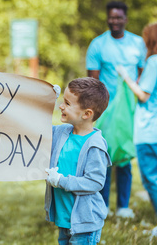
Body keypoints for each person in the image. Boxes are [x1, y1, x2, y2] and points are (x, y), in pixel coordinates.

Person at [117, 21, 157, 237]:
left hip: (148, 130)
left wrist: (126, 77)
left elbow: (144, 94)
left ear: (152, 39)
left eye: (146, 38)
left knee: (152, 178)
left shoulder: (154, 62)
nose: (144, 42)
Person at [86, 0, 146, 218]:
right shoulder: (98, 45)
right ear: (107, 19)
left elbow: (143, 74)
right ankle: (102, 206)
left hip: (129, 110)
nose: (115, 21)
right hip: (106, 110)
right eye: (112, 17)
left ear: (125, 19)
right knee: (104, 156)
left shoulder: (137, 44)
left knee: (124, 156)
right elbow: (92, 82)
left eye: (119, 17)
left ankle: (123, 206)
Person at [45, 77, 112, 245]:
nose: (61, 106)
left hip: (85, 224)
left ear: (86, 114)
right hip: (64, 219)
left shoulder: (95, 144)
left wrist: (62, 181)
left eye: (67, 103)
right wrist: (45, 100)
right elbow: (38, 130)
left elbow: (95, 182)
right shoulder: (61, 133)